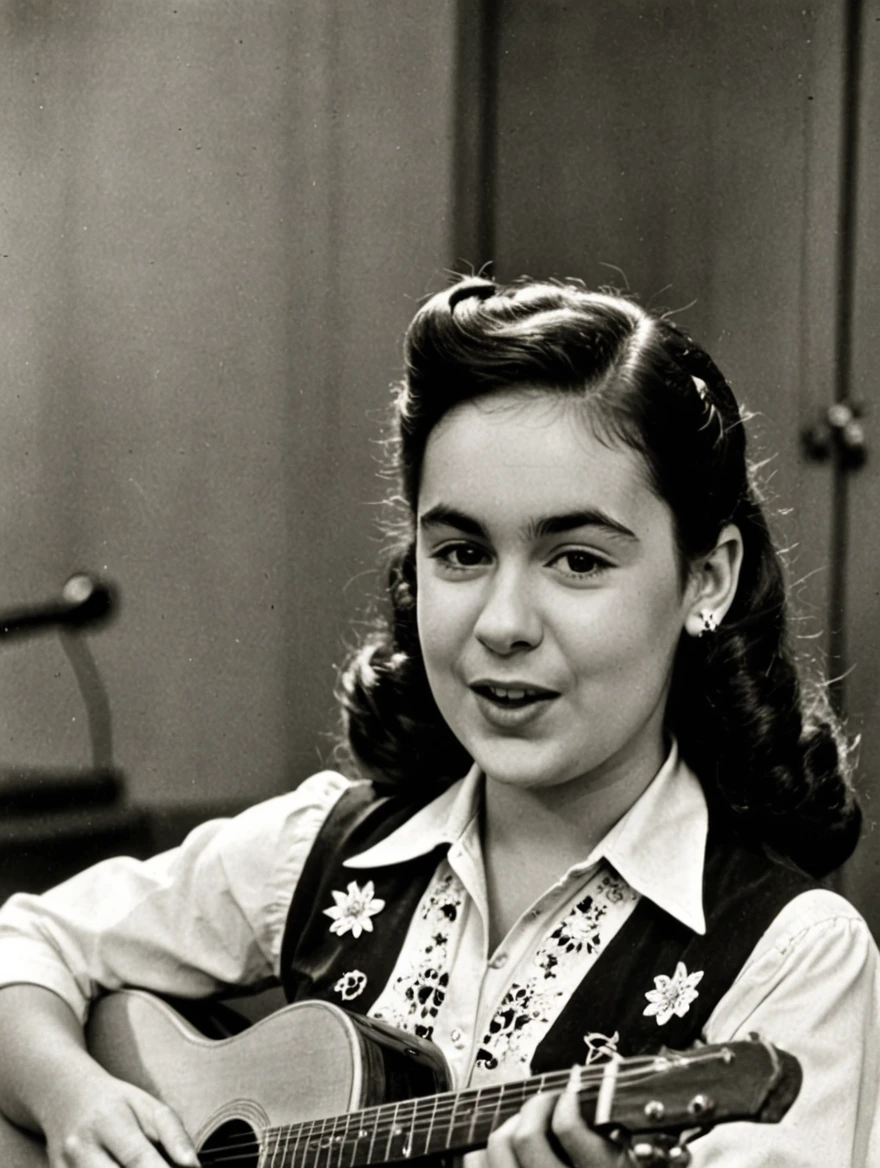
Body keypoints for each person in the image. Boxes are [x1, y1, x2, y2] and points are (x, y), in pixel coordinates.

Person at [0, 276, 877, 1168]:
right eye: (460, 553)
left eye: (576, 561)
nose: (502, 623)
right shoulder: (318, 852)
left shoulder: (794, 958)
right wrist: (75, 1098)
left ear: (708, 580)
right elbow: (21, 943)